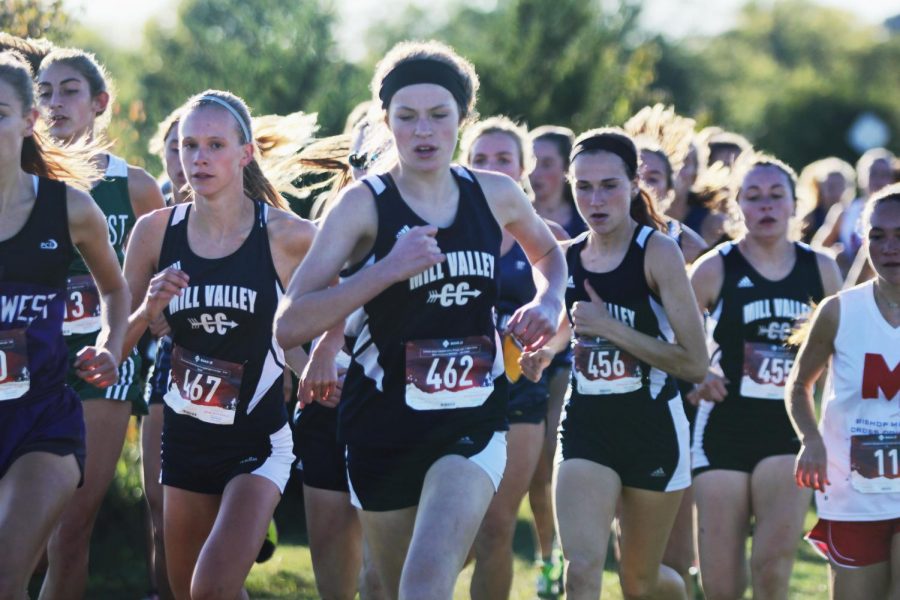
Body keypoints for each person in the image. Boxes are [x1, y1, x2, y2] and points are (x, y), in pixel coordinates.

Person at [274, 40, 565, 600]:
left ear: (463, 120)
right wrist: (385, 270)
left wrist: (548, 303)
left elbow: (549, 255)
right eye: (407, 117)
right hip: (380, 427)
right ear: (386, 122)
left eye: (439, 116)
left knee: (424, 587)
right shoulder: (362, 205)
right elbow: (291, 324)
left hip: (471, 421)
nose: (424, 131)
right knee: (384, 585)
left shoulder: (496, 194)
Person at [120, 90, 315, 600]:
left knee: (209, 588)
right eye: (188, 145)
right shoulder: (154, 233)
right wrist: (147, 312)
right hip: (185, 439)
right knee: (193, 593)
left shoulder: (287, 235)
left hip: (258, 441)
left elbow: (340, 296)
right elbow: (117, 339)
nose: (199, 158)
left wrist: (321, 361)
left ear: (245, 153)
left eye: (214, 145)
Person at [520, 127, 708, 600]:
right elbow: (571, 325)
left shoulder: (658, 251)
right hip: (587, 426)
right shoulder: (567, 257)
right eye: (583, 186)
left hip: (653, 430)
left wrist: (613, 329)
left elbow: (695, 363)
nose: (596, 199)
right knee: (581, 570)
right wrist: (545, 353)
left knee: (639, 583)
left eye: (609, 186)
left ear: (633, 184)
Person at [35, 46, 166, 600]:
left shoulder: (134, 186)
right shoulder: (15, 180)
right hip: (24, 364)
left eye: (68, 91)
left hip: (102, 365)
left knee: (70, 528)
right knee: (23, 532)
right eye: (43, 92)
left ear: (99, 103)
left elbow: (166, 282)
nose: (55, 103)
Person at [0, 49, 129, 600]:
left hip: (43, 424)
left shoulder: (69, 207)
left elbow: (117, 289)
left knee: (7, 573)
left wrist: (110, 343)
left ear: (29, 121)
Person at [689, 153, 842, 600]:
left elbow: (843, 350)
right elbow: (672, 330)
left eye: (777, 196)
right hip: (722, 429)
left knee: (772, 568)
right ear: (738, 206)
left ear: (795, 204)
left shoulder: (821, 268)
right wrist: (696, 373)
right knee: (721, 583)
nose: (766, 206)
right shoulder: (716, 266)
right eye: (753, 197)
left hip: (789, 432)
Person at [460, 115, 568, 600]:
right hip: (450, 390)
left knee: (497, 526)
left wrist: (544, 343)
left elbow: (568, 314)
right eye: (480, 159)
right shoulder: (442, 229)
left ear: (524, 169)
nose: (491, 168)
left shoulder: (547, 237)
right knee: (448, 527)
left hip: (520, 390)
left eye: (503, 159)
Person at [788, 183, 900, 600]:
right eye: (878, 236)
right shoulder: (838, 310)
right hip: (853, 490)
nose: (890, 247)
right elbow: (799, 385)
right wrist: (811, 439)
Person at [813, 148, 895, 276]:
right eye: (873, 174)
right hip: (855, 288)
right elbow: (815, 250)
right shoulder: (844, 212)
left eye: (884, 175)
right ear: (861, 178)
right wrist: (833, 256)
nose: (879, 181)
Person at [796, 157, 855, 244]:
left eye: (839, 186)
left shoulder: (854, 215)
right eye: (830, 187)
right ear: (820, 188)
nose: (835, 192)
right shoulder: (810, 219)